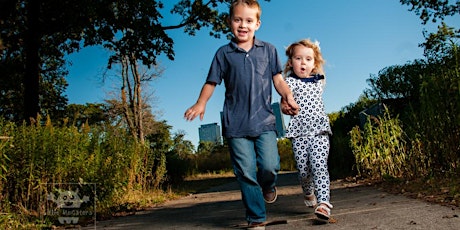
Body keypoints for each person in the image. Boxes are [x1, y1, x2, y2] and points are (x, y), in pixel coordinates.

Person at [184, 0, 299, 229]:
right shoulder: (223, 54)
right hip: (235, 125)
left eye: (248, 20)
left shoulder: (268, 50)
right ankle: (256, 219)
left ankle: (268, 186)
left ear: (257, 23)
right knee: (246, 173)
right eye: (238, 20)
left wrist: (288, 96)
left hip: (264, 120)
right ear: (229, 22)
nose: (243, 25)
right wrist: (201, 102)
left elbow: (278, 79)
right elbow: (211, 82)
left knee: (269, 165)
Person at [282, 38, 333, 222]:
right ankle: (308, 191)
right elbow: (283, 101)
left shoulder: (318, 80)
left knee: (319, 166)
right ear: (290, 62)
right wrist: (285, 106)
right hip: (299, 132)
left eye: (308, 59)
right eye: (298, 58)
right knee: (304, 170)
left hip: (319, 130)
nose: (303, 62)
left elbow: (317, 70)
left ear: (314, 63)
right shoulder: (289, 82)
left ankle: (324, 204)